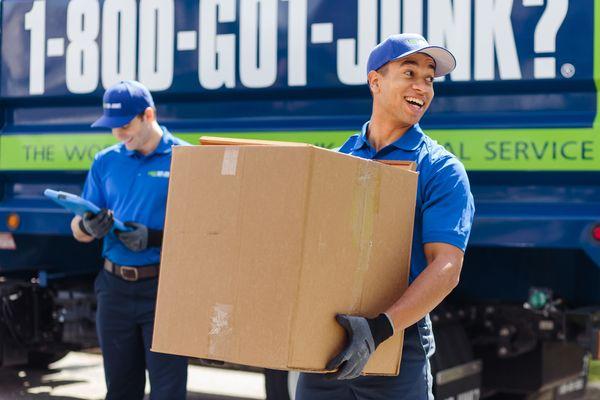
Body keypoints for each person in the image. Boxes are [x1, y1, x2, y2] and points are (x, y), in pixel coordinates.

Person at [296, 33, 475, 399]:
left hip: (397, 343)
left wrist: (380, 329)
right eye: (409, 73)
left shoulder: (440, 169)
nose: (422, 87)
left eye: (429, 78)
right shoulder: (340, 160)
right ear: (375, 81)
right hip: (327, 343)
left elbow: (446, 267)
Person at [71, 80, 189, 400]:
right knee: (121, 390)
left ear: (148, 115)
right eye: (113, 128)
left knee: (168, 392)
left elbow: (209, 232)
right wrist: (88, 226)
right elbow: (76, 228)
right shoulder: (105, 161)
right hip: (114, 289)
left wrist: (155, 237)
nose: (119, 135)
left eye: (124, 126)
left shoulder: (187, 160)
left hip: (164, 291)